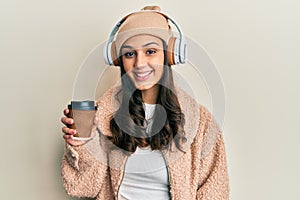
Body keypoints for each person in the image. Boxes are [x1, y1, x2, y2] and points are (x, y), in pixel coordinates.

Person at [61, 5, 229, 200]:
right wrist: (81, 144)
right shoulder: (102, 115)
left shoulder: (201, 123)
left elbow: (215, 193)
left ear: (170, 55)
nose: (139, 64)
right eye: (130, 54)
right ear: (119, 60)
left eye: (150, 51)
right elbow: (81, 187)